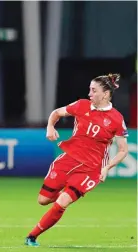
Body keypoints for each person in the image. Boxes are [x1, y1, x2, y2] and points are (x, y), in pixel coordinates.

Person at [25, 73, 129, 246]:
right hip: (68, 160)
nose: (89, 94)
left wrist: (106, 168)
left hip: (91, 169)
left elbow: (123, 150)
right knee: (43, 200)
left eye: (93, 90)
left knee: (62, 202)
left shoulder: (116, 119)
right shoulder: (81, 105)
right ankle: (66, 194)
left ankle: (32, 236)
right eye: (89, 90)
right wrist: (50, 127)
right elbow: (57, 113)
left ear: (105, 94)